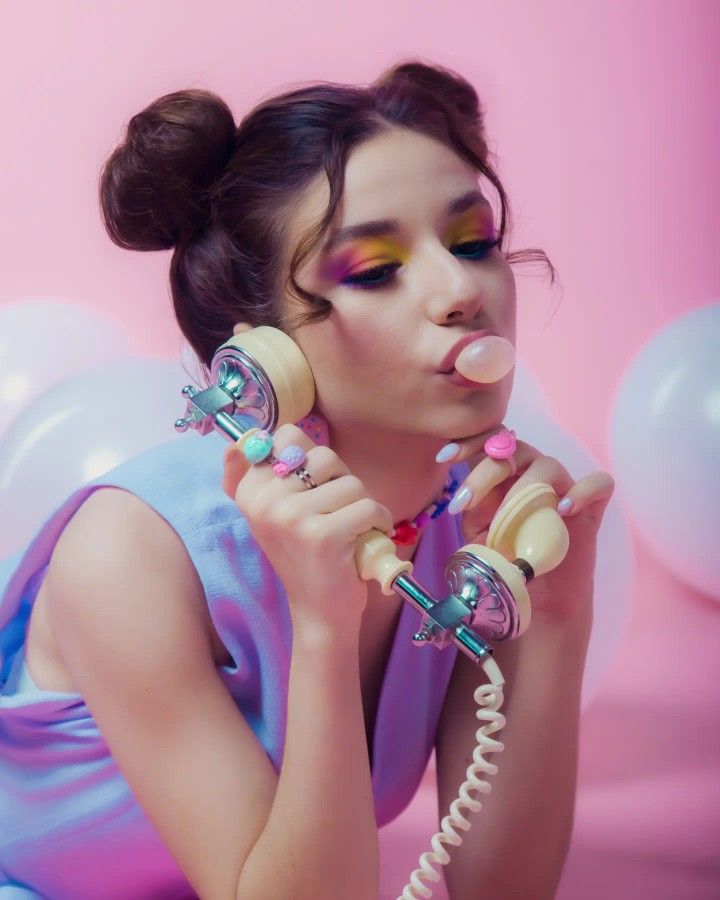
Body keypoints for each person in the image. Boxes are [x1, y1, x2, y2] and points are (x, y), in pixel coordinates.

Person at [0, 60, 615, 899]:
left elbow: (501, 890)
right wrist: (323, 628)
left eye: (472, 243)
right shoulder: (128, 555)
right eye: (375, 269)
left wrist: (557, 621)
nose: (461, 290)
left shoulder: (465, 528)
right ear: (263, 353)